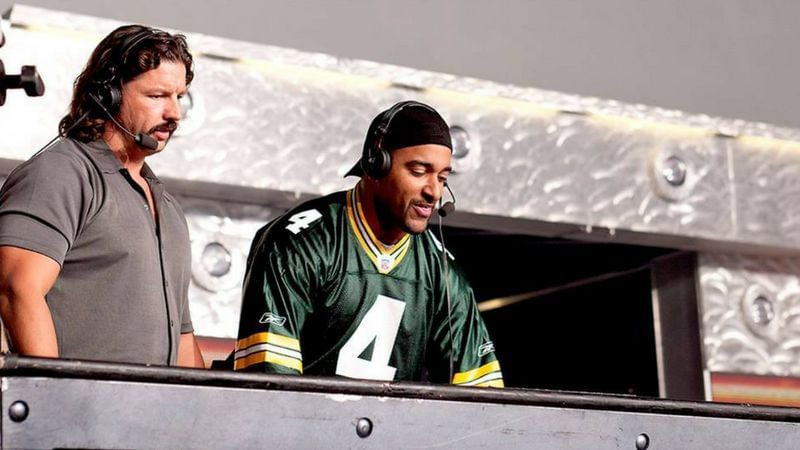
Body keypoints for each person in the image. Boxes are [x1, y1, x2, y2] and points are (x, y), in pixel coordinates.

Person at [234, 101, 503, 386]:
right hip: (300, 415)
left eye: (443, 178)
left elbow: (482, 398)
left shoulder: (442, 273)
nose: (434, 192)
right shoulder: (300, 244)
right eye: (418, 171)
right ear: (376, 164)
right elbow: (269, 387)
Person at [0, 25, 204, 367]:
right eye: (157, 96)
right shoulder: (61, 173)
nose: (175, 114)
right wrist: (52, 390)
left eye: (179, 97)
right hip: (72, 401)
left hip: (155, 402)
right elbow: (16, 289)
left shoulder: (167, 206)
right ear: (107, 95)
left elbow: (182, 336)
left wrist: (201, 400)